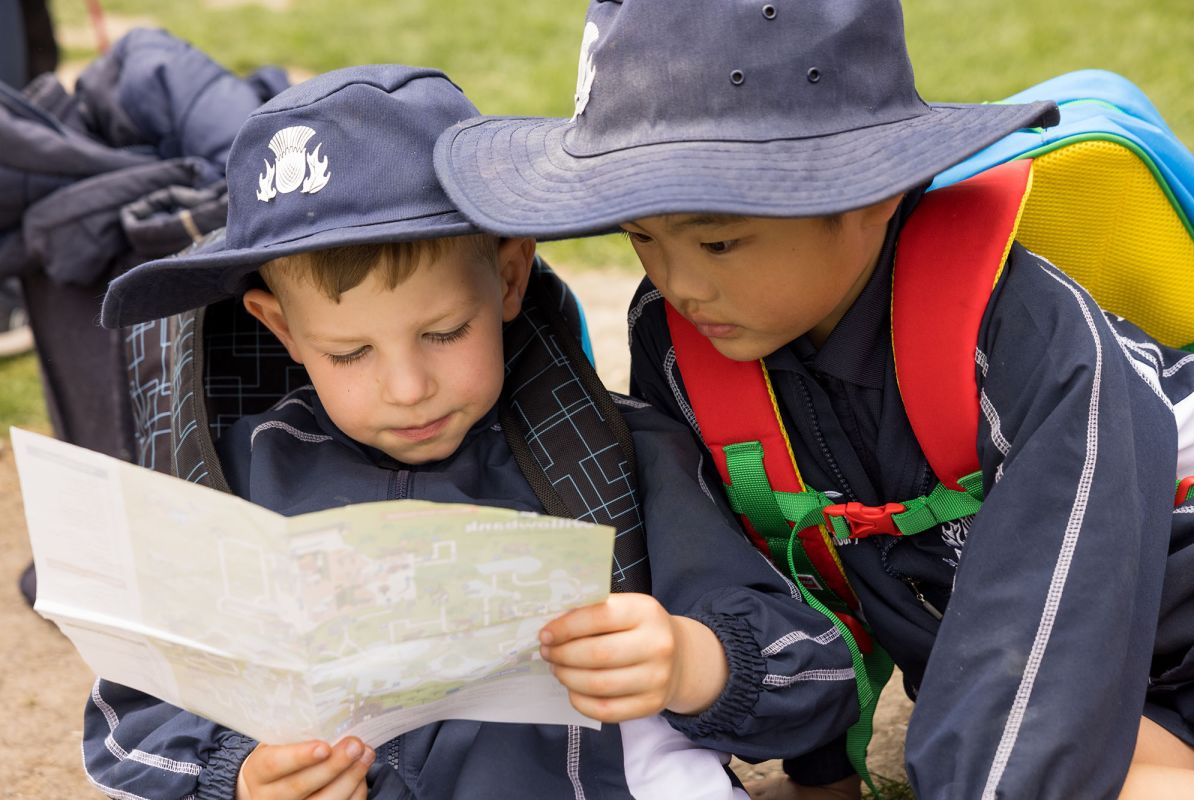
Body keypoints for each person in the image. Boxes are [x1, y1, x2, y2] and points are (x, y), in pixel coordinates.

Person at [431, 1, 1194, 798]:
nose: (680, 282)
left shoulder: (1022, 332)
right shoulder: (682, 347)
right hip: (1112, 705)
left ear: (868, 196)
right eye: (641, 236)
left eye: (719, 239)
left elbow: (1042, 651)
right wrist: (821, 774)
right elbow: (770, 561)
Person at [88, 64, 864, 800]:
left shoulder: (617, 455)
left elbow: (818, 674)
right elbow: (129, 722)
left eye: (445, 332)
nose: (407, 387)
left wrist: (693, 664)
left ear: (511, 277)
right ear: (280, 328)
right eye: (350, 352)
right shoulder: (237, 482)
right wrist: (243, 776)